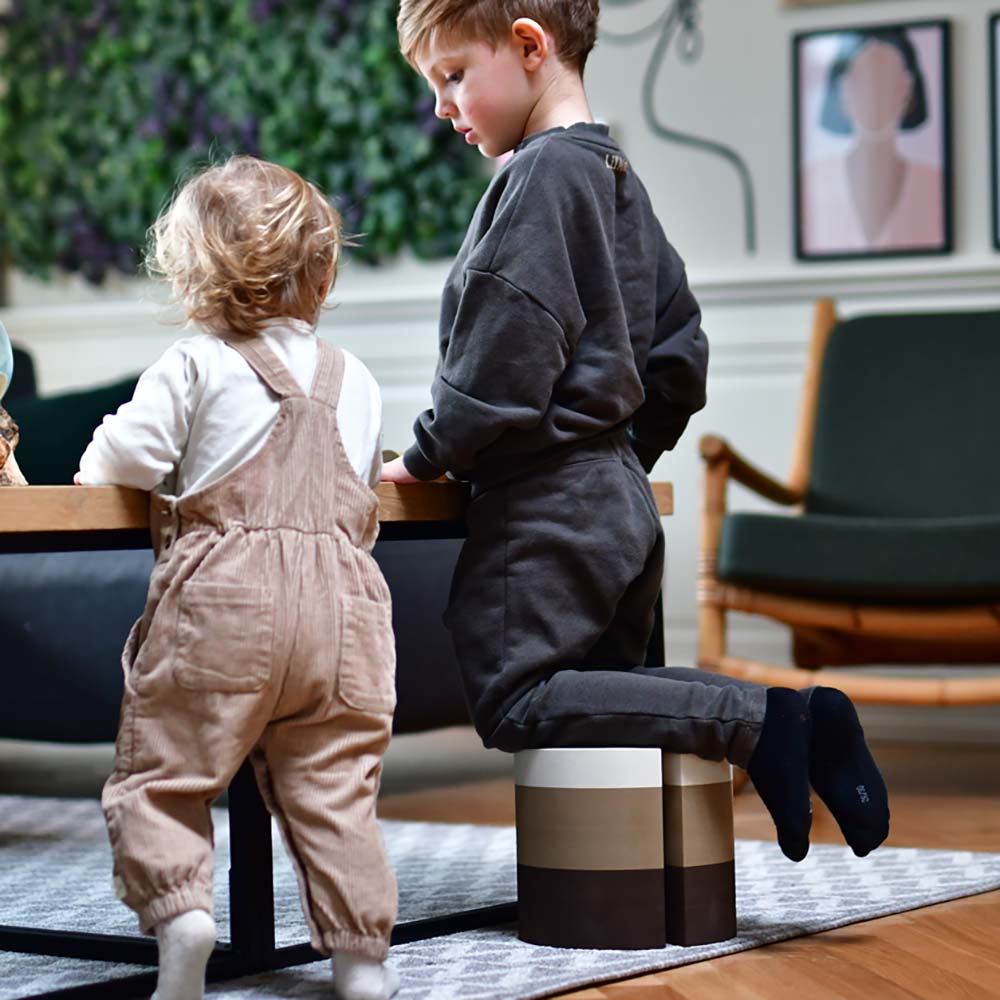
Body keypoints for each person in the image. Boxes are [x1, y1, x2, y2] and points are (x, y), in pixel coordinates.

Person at [384, 0, 890, 866]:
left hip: (542, 510)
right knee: (620, 697)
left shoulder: (539, 178)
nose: (442, 106)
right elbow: (680, 354)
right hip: (615, 500)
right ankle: (781, 740)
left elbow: (502, 351)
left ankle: (764, 721)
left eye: (453, 75)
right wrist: (617, 456)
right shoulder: (615, 176)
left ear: (529, 45)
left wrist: (429, 452)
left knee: (515, 699)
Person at [77, 157, 399, 1000]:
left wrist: (94, 466)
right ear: (323, 276)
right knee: (335, 788)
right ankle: (361, 961)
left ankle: (182, 914)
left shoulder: (195, 364)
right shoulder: (356, 380)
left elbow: (122, 460)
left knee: (165, 773)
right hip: (345, 612)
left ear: (193, 278)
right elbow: (363, 485)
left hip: (225, 602)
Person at [800, 27, 945, 255]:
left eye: (886, 80)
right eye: (863, 81)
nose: (875, 95)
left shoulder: (934, 183)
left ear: (906, 89)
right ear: (844, 89)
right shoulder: (811, 179)